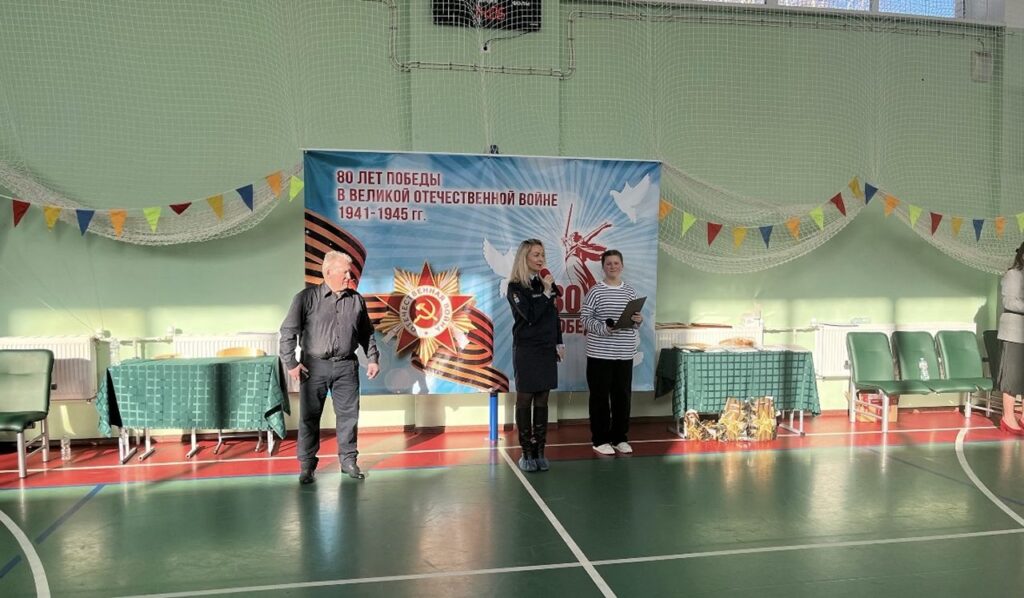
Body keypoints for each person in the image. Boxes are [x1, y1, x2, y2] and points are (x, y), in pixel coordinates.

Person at [280, 251, 380, 484]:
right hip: (313, 367)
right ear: (328, 272)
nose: (349, 277)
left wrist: (373, 358)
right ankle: (307, 466)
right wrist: (291, 363)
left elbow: (366, 333)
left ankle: (348, 461)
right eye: (344, 272)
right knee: (309, 418)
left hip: (347, 367)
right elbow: (288, 332)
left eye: (350, 273)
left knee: (349, 416)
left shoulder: (356, 300)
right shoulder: (305, 298)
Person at [506, 239, 564, 472]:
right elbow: (530, 315)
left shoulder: (544, 284)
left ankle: (540, 451)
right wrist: (547, 294)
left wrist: (559, 341)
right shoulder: (515, 288)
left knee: (543, 399)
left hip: (546, 348)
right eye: (536, 255)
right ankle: (526, 452)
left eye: (542, 255)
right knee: (525, 398)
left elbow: (553, 316)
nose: (541, 259)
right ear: (525, 258)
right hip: (527, 349)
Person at [580, 249, 642, 456]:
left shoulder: (630, 292)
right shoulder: (595, 291)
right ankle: (600, 440)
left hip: (624, 354)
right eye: (609, 263)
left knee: (622, 397)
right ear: (603, 267)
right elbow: (585, 319)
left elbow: (634, 320)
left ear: (622, 266)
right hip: (600, 354)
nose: (613, 266)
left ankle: (619, 438)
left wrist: (638, 321)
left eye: (616, 263)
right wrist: (604, 329)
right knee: (599, 397)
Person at [997, 241, 1024, 435]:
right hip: (1014, 331)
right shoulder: (1013, 274)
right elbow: (1009, 302)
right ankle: (1008, 417)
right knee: (1012, 376)